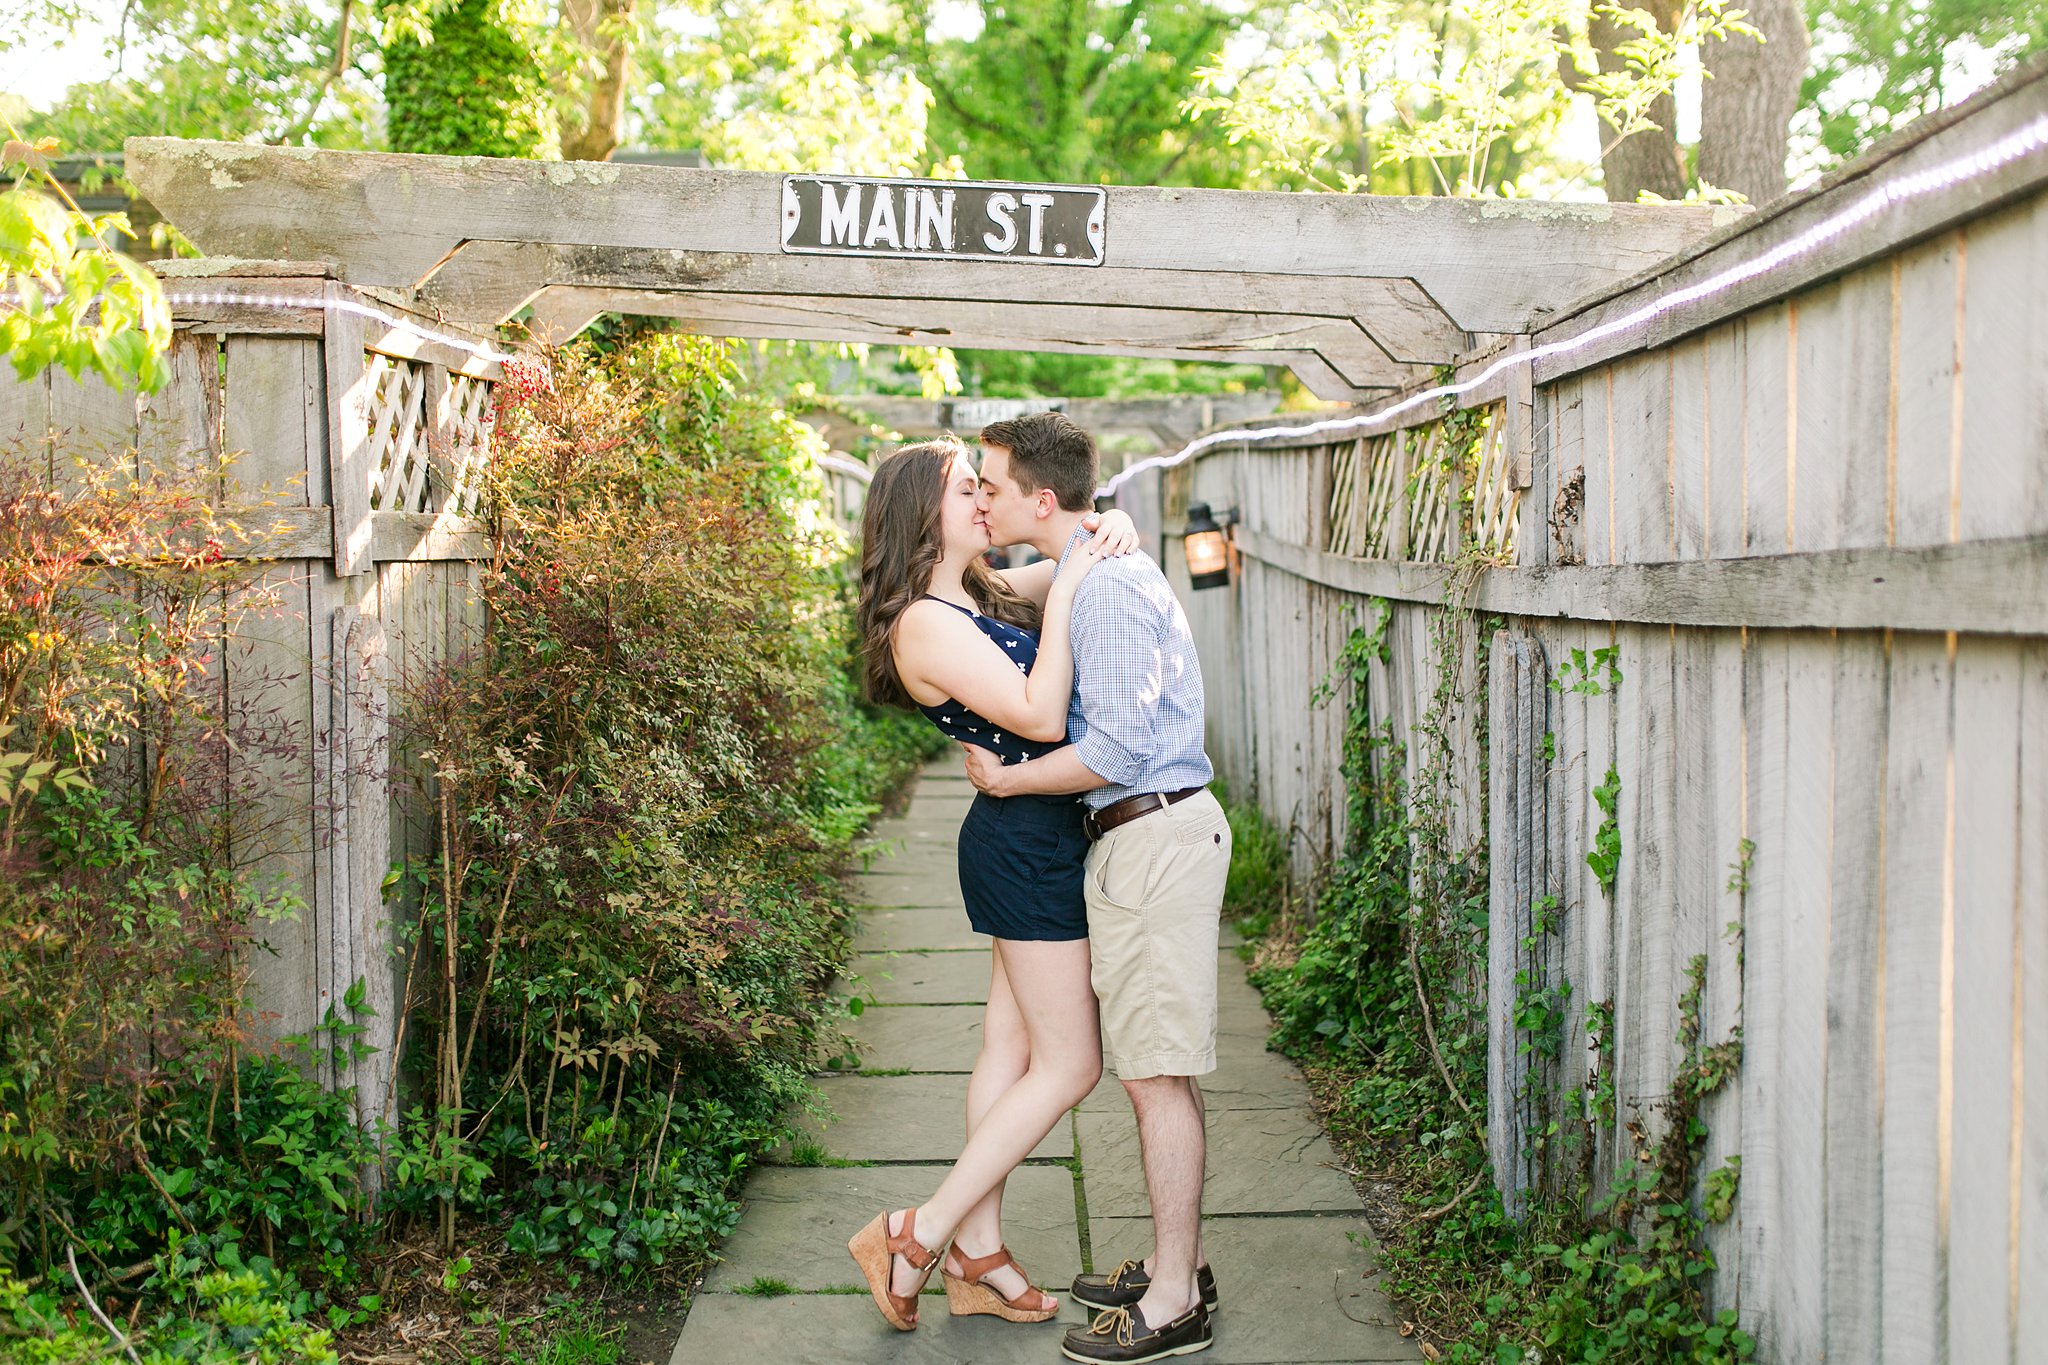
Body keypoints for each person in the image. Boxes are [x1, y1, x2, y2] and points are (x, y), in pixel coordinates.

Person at [847, 434, 1140, 1332]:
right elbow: (1043, 712)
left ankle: (976, 1255)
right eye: (967, 488)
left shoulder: (972, 594)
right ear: (920, 511)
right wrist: (1077, 583)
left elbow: (1072, 562)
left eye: (985, 486)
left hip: (1034, 829)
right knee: (1073, 1062)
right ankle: (916, 1230)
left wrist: (1107, 523)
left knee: (1008, 1054)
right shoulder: (923, 624)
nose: (985, 499)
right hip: (1024, 844)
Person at [963, 412, 1231, 1364]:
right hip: (1140, 839)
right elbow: (994, 593)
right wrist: (1094, 531)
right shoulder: (1088, 566)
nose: (980, 496)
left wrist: (1010, 780)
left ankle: (1173, 1303)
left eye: (988, 483)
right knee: (1150, 1069)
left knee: (1157, 1075)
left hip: (1153, 835)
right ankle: (1176, 1262)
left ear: (1042, 497)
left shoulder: (1109, 587)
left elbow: (1113, 746)